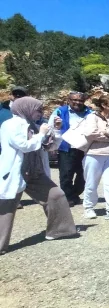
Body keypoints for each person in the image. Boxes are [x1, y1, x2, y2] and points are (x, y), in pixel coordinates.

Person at [0, 97, 79, 254]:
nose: (40, 113)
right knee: (6, 209)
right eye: (38, 110)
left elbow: (50, 147)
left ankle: (60, 230)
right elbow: (24, 145)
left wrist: (56, 130)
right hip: (16, 172)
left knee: (56, 195)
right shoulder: (11, 124)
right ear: (26, 108)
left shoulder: (33, 126)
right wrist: (41, 134)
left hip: (35, 172)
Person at [79, 96, 109, 221]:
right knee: (91, 182)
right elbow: (90, 133)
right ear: (104, 105)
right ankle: (88, 207)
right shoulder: (92, 117)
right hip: (94, 153)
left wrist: (108, 132)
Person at [49, 91, 93, 206]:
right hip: (66, 147)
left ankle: (74, 194)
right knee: (66, 174)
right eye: (75, 100)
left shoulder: (90, 112)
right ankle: (68, 197)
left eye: (80, 100)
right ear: (69, 100)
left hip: (84, 148)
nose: (77, 102)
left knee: (84, 174)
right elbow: (51, 128)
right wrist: (53, 144)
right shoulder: (59, 111)